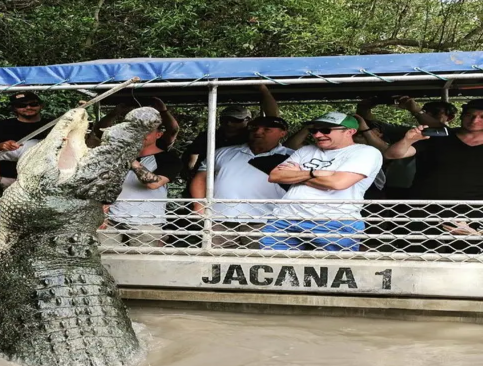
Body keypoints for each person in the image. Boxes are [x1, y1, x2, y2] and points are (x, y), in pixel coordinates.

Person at [260, 112, 383, 252]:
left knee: (333, 270)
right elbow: (275, 176)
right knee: (274, 267)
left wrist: (296, 175)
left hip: (335, 221)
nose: (318, 135)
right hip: (284, 218)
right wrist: (315, 173)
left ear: (350, 131)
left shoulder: (365, 152)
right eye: (314, 130)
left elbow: (338, 183)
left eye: (326, 130)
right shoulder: (306, 150)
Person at [383, 99, 483, 253]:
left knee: (463, 265)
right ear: (461, 116)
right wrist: (408, 140)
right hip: (422, 211)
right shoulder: (439, 135)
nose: (475, 120)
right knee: (414, 260)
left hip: (471, 215)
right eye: (470, 115)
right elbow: (392, 154)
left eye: (482, 116)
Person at [189, 116, 292, 249]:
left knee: (265, 262)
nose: (258, 132)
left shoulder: (293, 157)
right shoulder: (223, 152)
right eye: (254, 128)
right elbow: (201, 178)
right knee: (217, 262)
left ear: (282, 133)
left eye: (267, 129)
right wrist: (199, 207)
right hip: (220, 219)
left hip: (268, 220)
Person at [99, 99, 182, 247]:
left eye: (147, 131)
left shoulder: (168, 158)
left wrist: (130, 159)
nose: (141, 134)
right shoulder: (116, 155)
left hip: (147, 222)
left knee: (144, 262)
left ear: (158, 134)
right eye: (137, 130)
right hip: (113, 219)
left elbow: (154, 183)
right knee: (107, 258)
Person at [357, 96, 457, 199]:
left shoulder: (454, 138)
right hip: (396, 183)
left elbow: (441, 130)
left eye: (435, 113)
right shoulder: (411, 132)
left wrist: (416, 111)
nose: (428, 115)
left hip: (431, 188)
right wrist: (371, 103)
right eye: (426, 111)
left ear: (450, 118)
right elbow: (371, 123)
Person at [0, 92, 52, 188]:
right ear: (13, 108)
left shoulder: (55, 125)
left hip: (49, 179)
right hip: (13, 180)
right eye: (21, 105)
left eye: (33, 104)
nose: (28, 107)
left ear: (41, 105)